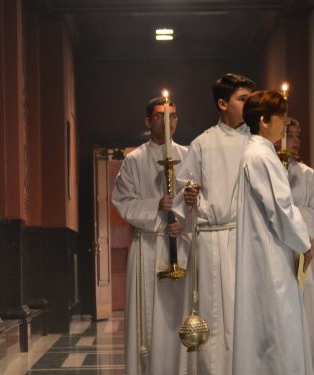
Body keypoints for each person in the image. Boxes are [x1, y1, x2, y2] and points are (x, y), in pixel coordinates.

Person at [172, 73, 255, 375]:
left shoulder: (256, 144)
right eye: (242, 99)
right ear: (222, 103)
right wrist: (189, 195)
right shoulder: (202, 144)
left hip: (244, 239)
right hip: (209, 241)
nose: (248, 105)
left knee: (243, 316)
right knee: (212, 316)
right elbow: (183, 189)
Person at [232, 90, 314, 375]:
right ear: (265, 121)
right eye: (283, 117)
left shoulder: (256, 153)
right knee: (280, 329)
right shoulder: (262, 156)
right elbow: (281, 208)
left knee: (267, 330)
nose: (286, 123)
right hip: (271, 255)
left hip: (266, 250)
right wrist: (305, 243)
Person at [112, 96, 188, 375]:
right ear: (148, 121)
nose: (169, 122)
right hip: (147, 246)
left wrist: (185, 221)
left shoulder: (189, 155)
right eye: (161, 116)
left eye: (174, 116)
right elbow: (122, 201)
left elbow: (199, 201)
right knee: (147, 324)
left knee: (177, 316)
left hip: (181, 246)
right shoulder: (133, 161)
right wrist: (157, 204)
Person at [279, 118, 314, 375]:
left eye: (298, 135)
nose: (296, 140)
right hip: (275, 255)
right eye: (290, 134)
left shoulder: (308, 175)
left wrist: (293, 219)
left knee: (305, 312)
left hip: (302, 255)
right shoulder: (269, 173)